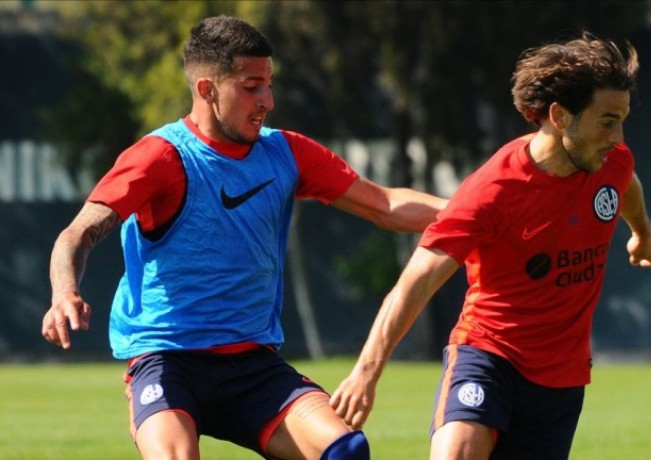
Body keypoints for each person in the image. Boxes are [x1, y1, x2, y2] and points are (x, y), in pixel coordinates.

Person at [41, 15, 446, 460]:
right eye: (251, 86)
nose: (267, 100)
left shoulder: (286, 152)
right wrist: (64, 292)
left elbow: (384, 205)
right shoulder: (160, 157)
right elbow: (76, 233)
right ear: (207, 90)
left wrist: (475, 212)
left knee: (345, 450)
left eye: (269, 84)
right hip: (168, 359)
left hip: (252, 364)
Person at [330, 33, 651, 459]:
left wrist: (643, 233)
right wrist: (366, 373)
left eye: (622, 120)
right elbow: (416, 281)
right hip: (488, 353)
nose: (618, 136)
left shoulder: (611, 161)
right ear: (560, 116)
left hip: (561, 376)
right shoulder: (492, 191)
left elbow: (627, 184)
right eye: (607, 120)